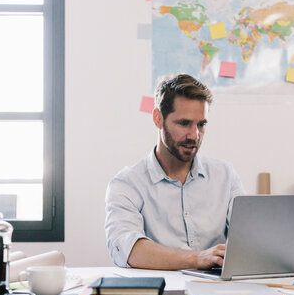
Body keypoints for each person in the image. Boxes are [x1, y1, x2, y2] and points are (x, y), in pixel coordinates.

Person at [105, 74, 245, 270]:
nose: (194, 135)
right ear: (158, 118)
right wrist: (196, 258)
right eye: (184, 123)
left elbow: (248, 240)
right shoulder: (127, 184)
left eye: (201, 124)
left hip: (218, 292)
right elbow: (127, 250)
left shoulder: (225, 175)